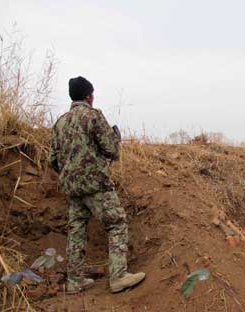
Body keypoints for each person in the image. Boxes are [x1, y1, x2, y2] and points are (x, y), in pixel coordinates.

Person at [49, 76, 145, 294]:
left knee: (76, 231)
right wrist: (115, 138)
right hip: (96, 185)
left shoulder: (60, 122)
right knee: (117, 223)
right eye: (92, 94)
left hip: (72, 189)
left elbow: (52, 159)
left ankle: (74, 281)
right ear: (88, 95)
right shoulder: (93, 116)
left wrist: (70, 174)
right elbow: (111, 150)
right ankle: (119, 276)